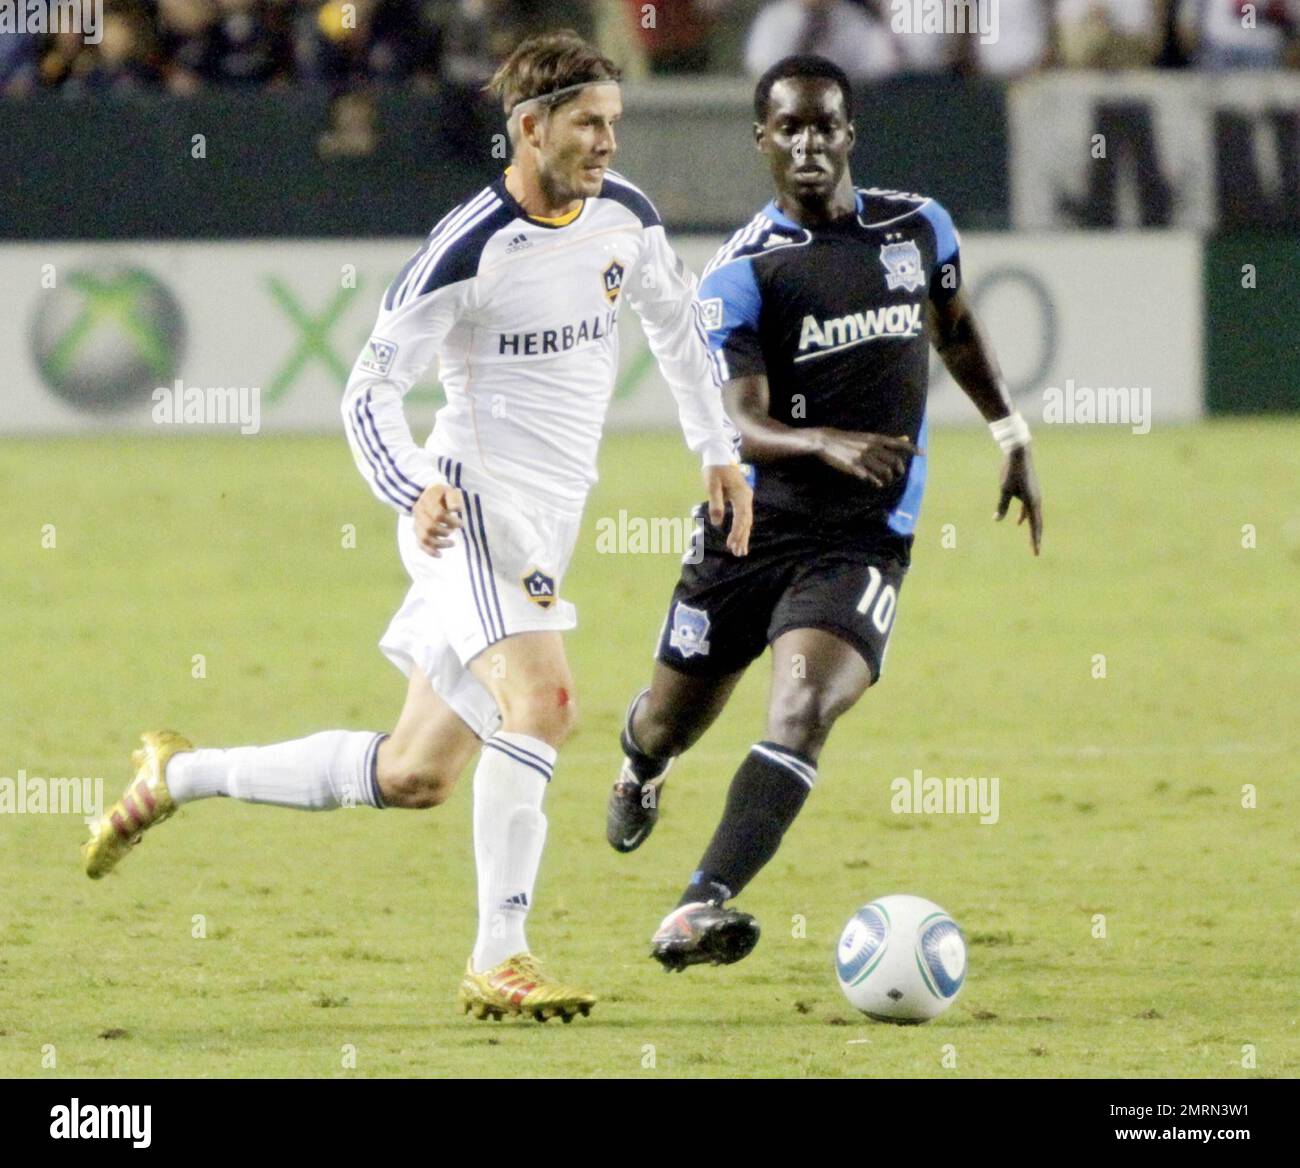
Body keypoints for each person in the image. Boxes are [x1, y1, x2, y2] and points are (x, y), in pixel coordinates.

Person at [82, 30, 753, 1021]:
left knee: (414, 773)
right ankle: (501, 956)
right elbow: (369, 387)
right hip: (469, 512)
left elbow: (675, 326)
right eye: (587, 123)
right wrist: (410, 487)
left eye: (614, 122)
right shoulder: (469, 246)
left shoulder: (626, 219)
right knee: (547, 701)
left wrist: (717, 447)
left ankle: (178, 772)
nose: (609, 141)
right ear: (529, 128)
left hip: (544, 527)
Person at [604, 54, 1042, 970]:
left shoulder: (918, 227)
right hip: (749, 530)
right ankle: (640, 765)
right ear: (761, 140)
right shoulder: (741, 273)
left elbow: (953, 326)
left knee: (802, 708)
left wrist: (1009, 434)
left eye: (824, 125)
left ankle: (697, 906)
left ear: (850, 132)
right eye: (788, 128)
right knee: (669, 721)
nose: (808, 143)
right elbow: (740, 420)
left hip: (862, 540)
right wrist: (828, 442)